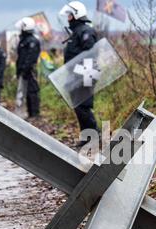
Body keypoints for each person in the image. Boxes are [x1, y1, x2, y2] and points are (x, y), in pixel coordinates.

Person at [59, 1, 99, 147]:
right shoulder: (76, 32)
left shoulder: (85, 31)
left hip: (85, 73)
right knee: (78, 106)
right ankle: (86, 136)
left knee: (83, 106)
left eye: (69, 15)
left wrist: (84, 77)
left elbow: (90, 54)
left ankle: (94, 135)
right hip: (75, 75)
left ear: (76, 15)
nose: (68, 18)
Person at [15, 17, 41, 118]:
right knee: (22, 92)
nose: (20, 29)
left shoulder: (33, 41)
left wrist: (25, 69)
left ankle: (34, 114)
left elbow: (31, 57)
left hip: (30, 70)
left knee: (32, 91)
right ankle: (25, 113)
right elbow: (20, 57)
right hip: (23, 70)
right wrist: (19, 70)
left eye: (22, 27)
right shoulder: (23, 40)